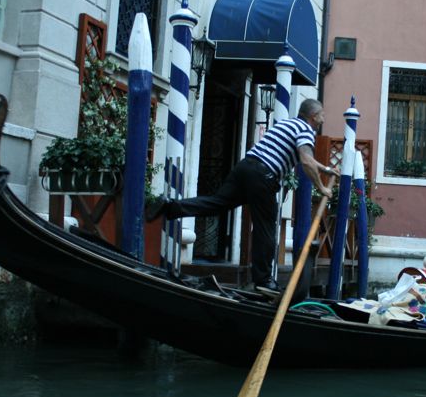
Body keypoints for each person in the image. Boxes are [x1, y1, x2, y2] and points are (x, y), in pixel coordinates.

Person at [145, 98, 338, 294]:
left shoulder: (289, 124)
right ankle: (263, 282)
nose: (323, 119)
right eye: (322, 115)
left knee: (216, 203)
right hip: (264, 176)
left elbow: (307, 159)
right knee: (266, 230)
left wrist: (326, 169)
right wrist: (322, 188)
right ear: (314, 116)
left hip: (246, 167)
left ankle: (169, 206)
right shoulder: (306, 130)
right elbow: (306, 161)